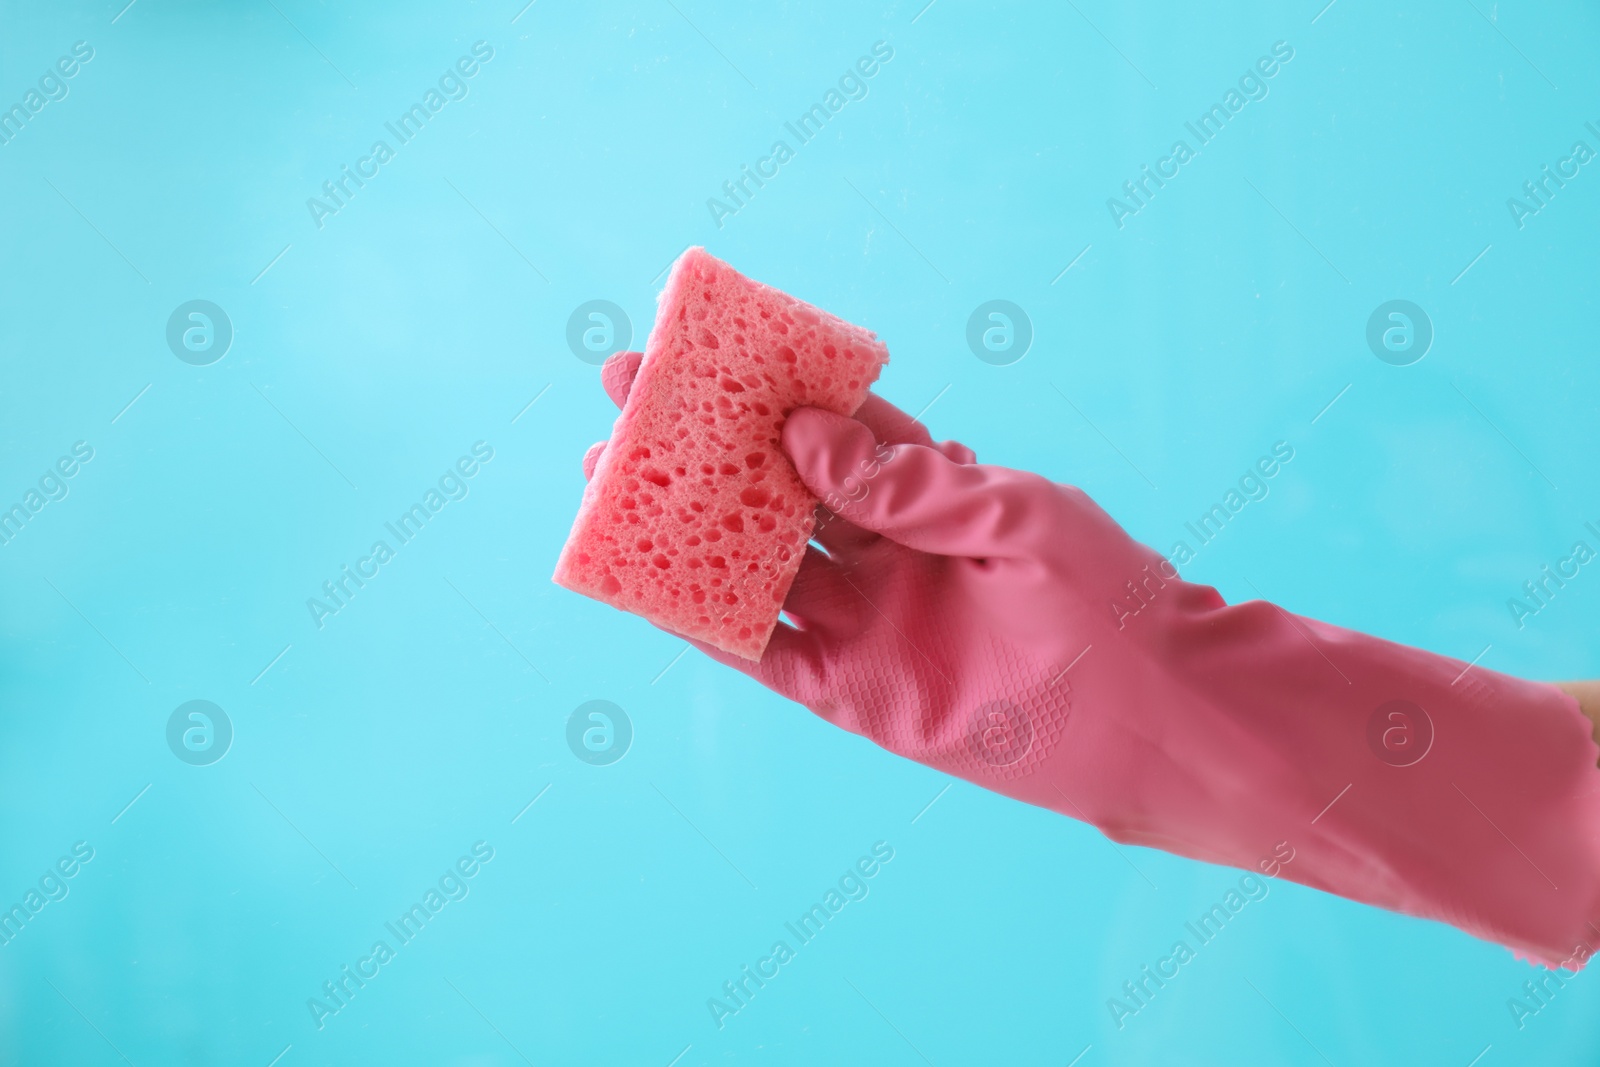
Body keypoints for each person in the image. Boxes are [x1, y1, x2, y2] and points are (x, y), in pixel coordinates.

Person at [581, 350, 1600, 972]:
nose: (1467, 627)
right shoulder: (1186, 941)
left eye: (1494, 564)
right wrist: (1209, 710)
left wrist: (1207, 708)